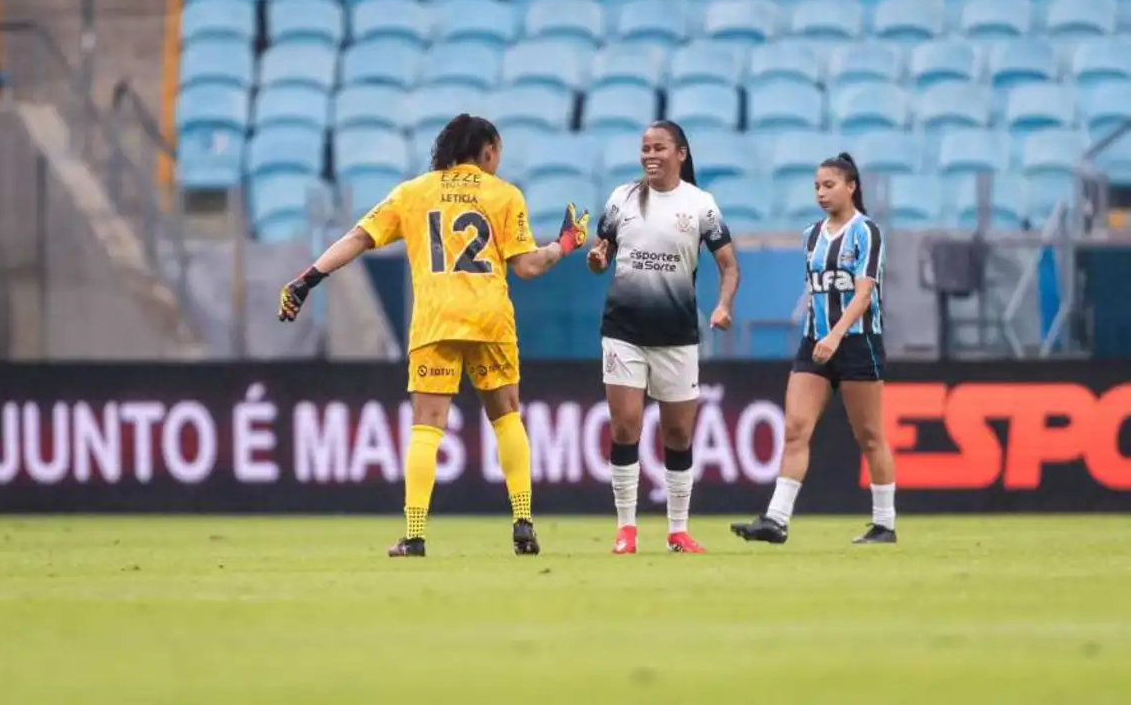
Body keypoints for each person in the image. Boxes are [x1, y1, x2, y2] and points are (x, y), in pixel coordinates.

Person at [278, 115, 590, 558]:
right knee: (506, 418)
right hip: (489, 319)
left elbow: (357, 238)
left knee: (427, 428)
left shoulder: (413, 193)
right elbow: (527, 267)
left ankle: (415, 535)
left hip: (436, 320)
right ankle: (523, 522)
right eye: (496, 153)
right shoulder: (503, 195)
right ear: (486, 152)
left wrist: (307, 279)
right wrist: (565, 243)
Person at [586, 120, 739, 554]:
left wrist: (724, 305)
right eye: (644, 148)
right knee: (625, 426)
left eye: (659, 148)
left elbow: (729, 266)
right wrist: (597, 258)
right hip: (624, 330)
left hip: (676, 334)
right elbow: (600, 254)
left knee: (678, 435)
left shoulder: (700, 205)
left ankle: (677, 530)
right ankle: (626, 530)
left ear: (681, 154)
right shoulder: (623, 198)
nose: (650, 155)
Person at [731, 152, 897, 546]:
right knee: (795, 429)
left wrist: (836, 335)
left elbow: (863, 295)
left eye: (829, 185)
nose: (821, 193)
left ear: (851, 186)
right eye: (817, 187)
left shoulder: (866, 232)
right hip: (815, 342)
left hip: (857, 343)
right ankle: (776, 519)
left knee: (870, 435)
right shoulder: (811, 236)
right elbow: (817, 292)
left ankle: (884, 523)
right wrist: (820, 334)